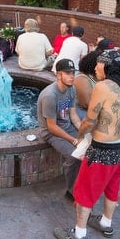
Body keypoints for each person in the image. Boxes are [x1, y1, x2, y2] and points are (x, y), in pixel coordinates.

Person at [53, 49, 120, 239]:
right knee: (112, 187)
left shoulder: (103, 86)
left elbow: (90, 120)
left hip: (101, 150)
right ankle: (105, 223)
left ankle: (80, 234)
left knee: (84, 191)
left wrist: (81, 135)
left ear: (106, 66)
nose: (95, 67)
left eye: (98, 64)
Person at [37, 58, 82, 199]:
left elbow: (73, 114)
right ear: (58, 75)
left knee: (88, 147)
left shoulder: (72, 88)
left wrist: (83, 132)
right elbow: (51, 126)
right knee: (74, 156)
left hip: (67, 127)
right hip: (51, 133)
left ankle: (81, 181)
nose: (71, 76)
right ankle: (72, 190)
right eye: (67, 73)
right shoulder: (50, 96)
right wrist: (74, 140)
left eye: (73, 73)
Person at [73, 51, 99, 120]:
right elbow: (87, 104)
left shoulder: (94, 78)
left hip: (92, 112)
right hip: (80, 113)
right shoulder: (82, 79)